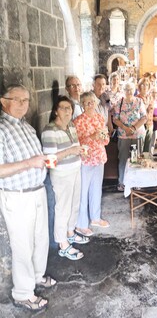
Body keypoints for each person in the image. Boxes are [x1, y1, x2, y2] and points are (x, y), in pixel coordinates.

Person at [0, 84, 56, 311]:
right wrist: (29, 164)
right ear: (4, 102)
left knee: (41, 239)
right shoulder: (1, 129)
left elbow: (36, 157)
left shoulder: (27, 127)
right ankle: (22, 293)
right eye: (18, 100)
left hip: (37, 190)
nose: (24, 104)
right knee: (22, 245)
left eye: (26, 100)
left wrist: (45, 160)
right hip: (18, 196)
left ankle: (36, 276)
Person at [41, 96, 88, 261]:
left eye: (69, 108)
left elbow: (73, 148)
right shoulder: (50, 130)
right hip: (61, 174)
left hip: (75, 169)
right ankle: (62, 245)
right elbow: (49, 160)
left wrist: (79, 151)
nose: (68, 111)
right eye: (63, 108)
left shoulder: (71, 126)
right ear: (55, 111)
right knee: (63, 208)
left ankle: (70, 233)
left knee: (75, 204)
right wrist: (71, 151)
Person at [73, 91, 110, 237]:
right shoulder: (78, 121)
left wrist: (103, 137)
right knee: (83, 192)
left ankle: (95, 217)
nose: (90, 105)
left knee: (96, 189)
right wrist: (92, 137)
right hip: (85, 159)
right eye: (87, 102)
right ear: (82, 105)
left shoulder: (100, 118)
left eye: (92, 102)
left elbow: (105, 140)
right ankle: (81, 224)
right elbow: (77, 143)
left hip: (99, 157)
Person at [113, 81, 147, 191]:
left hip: (136, 135)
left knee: (135, 159)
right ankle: (122, 182)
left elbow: (144, 117)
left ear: (134, 90)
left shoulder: (139, 101)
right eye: (126, 89)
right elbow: (115, 119)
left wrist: (133, 128)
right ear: (123, 91)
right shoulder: (119, 102)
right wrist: (125, 128)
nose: (129, 91)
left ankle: (136, 181)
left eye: (131, 89)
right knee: (123, 159)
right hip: (124, 135)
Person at [136, 77, 152, 152]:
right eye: (143, 85)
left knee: (147, 146)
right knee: (139, 146)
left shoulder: (150, 97)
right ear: (139, 86)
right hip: (141, 124)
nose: (145, 86)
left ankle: (146, 160)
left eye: (146, 85)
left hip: (150, 123)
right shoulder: (137, 98)